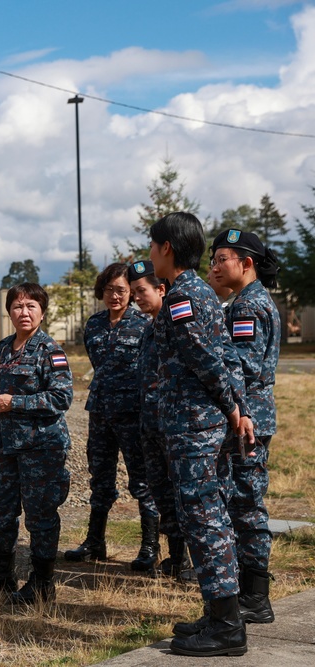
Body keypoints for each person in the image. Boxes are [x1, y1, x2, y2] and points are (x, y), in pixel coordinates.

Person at [149, 212, 254, 657]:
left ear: (167, 248)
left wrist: (233, 409)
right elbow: (227, 355)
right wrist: (236, 408)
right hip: (197, 424)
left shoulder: (183, 298)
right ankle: (217, 614)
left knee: (205, 520)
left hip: (194, 427)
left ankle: (228, 627)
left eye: (153, 246)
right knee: (205, 517)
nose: (150, 254)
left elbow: (206, 361)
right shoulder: (198, 293)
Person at [0, 283, 72, 606]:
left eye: (31, 307)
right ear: (8, 310)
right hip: (7, 447)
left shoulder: (49, 350)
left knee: (40, 515)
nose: (23, 312)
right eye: (17, 306)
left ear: (42, 312)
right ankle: (2, 573)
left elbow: (62, 397)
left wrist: (15, 403)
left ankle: (42, 583)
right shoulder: (3, 348)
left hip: (42, 447)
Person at [207, 229, 281, 625]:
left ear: (245, 264)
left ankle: (256, 596)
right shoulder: (249, 302)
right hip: (251, 417)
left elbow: (244, 369)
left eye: (221, 259)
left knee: (246, 505)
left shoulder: (247, 308)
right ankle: (250, 590)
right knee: (244, 501)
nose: (214, 266)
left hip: (247, 421)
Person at [65, 263, 158, 571]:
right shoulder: (94, 324)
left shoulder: (145, 323)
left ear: (131, 292)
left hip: (134, 414)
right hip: (101, 413)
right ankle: (95, 542)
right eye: (108, 290)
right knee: (100, 480)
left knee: (142, 481)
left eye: (121, 290)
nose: (114, 296)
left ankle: (150, 546)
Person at [128, 260, 192, 581]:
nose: (136, 297)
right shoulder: (148, 329)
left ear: (161, 289)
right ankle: (175, 560)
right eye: (134, 292)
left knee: (183, 494)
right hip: (151, 427)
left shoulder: (174, 325)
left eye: (141, 291)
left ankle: (189, 563)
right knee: (163, 494)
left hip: (175, 427)